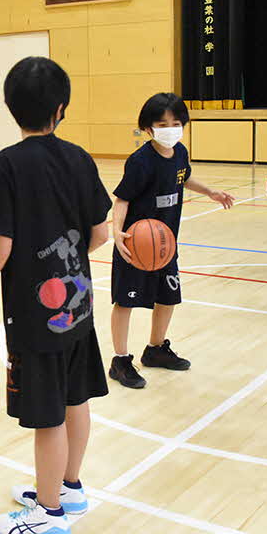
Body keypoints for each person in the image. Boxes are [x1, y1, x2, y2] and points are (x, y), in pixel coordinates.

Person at [0, 57, 111, 534]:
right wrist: (65, 267)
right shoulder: (80, 158)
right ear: (61, 108)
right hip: (79, 308)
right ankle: (68, 488)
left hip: (34, 318)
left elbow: (1, 245)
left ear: (9, 108)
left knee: (47, 417)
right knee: (75, 399)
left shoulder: (6, 165)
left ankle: (48, 514)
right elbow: (101, 233)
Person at [107, 93, 235, 389]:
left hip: (165, 245)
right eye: (162, 123)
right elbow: (122, 199)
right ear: (148, 128)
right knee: (125, 302)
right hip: (135, 245)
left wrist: (210, 192)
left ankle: (155, 350)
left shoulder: (179, 152)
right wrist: (117, 233)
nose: (170, 128)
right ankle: (120, 360)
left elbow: (183, 177)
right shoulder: (140, 162)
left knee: (167, 297)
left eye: (176, 123)